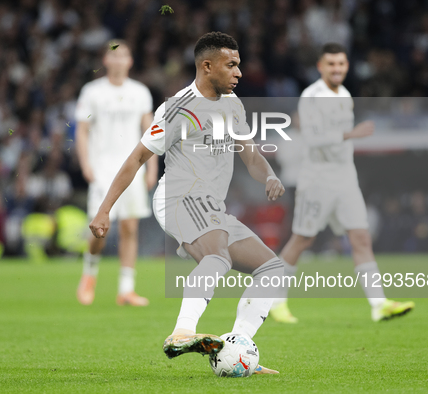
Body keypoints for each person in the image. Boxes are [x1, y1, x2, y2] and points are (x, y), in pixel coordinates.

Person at [89, 32, 284, 374]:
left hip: (212, 207)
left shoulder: (233, 105)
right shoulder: (177, 108)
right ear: (207, 66)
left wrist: (268, 175)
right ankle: (182, 331)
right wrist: (105, 209)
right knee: (216, 256)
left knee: (272, 268)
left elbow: (251, 155)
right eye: (232, 65)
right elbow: (136, 159)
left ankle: (238, 348)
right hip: (179, 198)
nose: (239, 72)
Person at [269, 43, 414, 323]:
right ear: (320, 67)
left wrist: (347, 137)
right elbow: (310, 138)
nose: (337, 69)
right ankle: (275, 301)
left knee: (361, 237)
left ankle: (379, 304)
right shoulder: (312, 96)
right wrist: (349, 135)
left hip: (346, 178)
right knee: (302, 239)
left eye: (341, 64)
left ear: (347, 66)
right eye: (331, 64)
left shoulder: (345, 94)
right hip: (318, 178)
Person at [75, 40, 157, 306]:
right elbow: (82, 130)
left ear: (130, 61)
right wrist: (86, 163)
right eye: (114, 55)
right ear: (105, 60)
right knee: (100, 228)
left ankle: (126, 289)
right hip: (103, 167)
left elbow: (151, 131)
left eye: (124, 55)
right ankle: (89, 274)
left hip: (132, 167)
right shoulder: (92, 92)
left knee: (130, 226)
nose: (119, 60)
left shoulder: (140, 92)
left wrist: (152, 167)